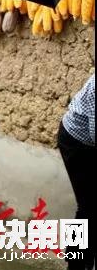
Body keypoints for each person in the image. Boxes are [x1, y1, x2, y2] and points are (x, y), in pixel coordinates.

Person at [58, 73, 94, 270]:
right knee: (88, 204)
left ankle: (87, 257)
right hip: (75, 142)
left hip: (89, 141)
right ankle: (76, 262)